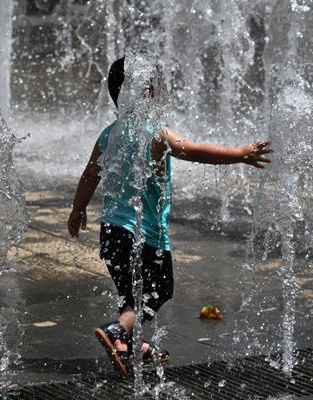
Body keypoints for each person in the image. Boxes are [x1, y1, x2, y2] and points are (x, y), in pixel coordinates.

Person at [67, 56, 273, 376]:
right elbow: (196, 150)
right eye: (159, 85)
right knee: (160, 289)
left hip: (111, 232)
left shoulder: (109, 133)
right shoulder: (156, 133)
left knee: (132, 295)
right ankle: (116, 331)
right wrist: (240, 155)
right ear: (148, 91)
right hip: (145, 236)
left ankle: (127, 345)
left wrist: (78, 209)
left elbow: (89, 175)